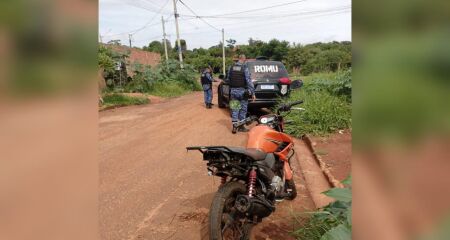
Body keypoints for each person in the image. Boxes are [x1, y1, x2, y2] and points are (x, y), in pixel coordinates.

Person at [228, 54, 255, 133]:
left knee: (235, 109)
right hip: (242, 92)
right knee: (243, 110)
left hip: (233, 92)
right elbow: (249, 81)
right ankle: (241, 127)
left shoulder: (231, 68)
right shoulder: (244, 68)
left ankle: (234, 127)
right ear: (244, 59)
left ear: (238, 59)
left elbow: (228, 78)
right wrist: (253, 92)